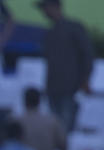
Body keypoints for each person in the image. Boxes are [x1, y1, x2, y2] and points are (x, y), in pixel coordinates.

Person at [38, 0, 94, 133]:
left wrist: (85, 80)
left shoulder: (74, 27)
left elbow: (87, 55)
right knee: (57, 129)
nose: (44, 12)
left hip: (70, 88)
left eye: (45, 7)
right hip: (53, 89)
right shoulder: (51, 32)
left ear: (55, 7)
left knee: (65, 130)